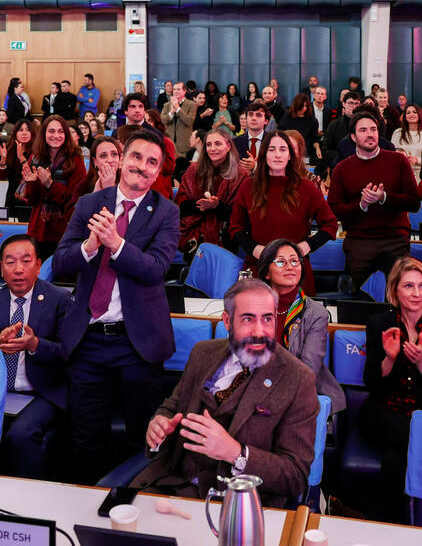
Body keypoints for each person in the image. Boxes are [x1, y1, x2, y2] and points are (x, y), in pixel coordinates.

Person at [52, 128, 180, 483]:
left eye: (152, 162)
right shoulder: (89, 204)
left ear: (158, 172)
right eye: (137, 157)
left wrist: (116, 244)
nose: (142, 166)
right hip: (88, 341)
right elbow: (60, 263)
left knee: (143, 439)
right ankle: (90, 501)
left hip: (138, 344)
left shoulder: (166, 212)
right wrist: (90, 246)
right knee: (86, 439)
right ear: (122, 160)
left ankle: (137, 501)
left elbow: (155, 269)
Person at [132, 278, 319, 508]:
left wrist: (237, 454)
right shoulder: (202, 353)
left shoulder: (298, 379)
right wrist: (159, 427)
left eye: (267, 319)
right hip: (168, 485)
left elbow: (295, 477)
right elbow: (171, 407)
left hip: (236, 505)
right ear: (227, 321)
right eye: (248, 319)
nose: (259, 331)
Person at [360, 257, 422, 522]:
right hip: (384, 413)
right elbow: (371, 382)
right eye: (408, 286)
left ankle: (396, 524)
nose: (417, 293)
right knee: (420, 438)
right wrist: (390, 358)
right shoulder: (378, 324)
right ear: (395, 290)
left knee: (395, 460)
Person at [0, 234, 69, 479]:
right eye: (10, 262)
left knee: (21, 435)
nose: (18, 269)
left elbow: (69, 354)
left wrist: (35, 345)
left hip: (42, 392)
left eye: (26, 261)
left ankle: (29, 494)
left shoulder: (59, 299)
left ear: (39, 265)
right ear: (2, 269)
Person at [231, 130, 339, 291]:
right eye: (272, 149)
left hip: (295, 272)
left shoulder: (306, 188)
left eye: (283, 149)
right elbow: (235, 228)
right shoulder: (248, 186)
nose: (277, 155)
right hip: (260, 269)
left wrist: (304, 247)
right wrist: (255, 249)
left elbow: (330, 224)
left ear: (290, 155)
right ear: (264, 154)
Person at [326, 110, 421, 289]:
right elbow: (334, 210)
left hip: (395, 240)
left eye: (373, 129)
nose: (370, 134)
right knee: (364, 296)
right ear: (353, 137)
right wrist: (362, 205)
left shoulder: (398, 161)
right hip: (359, 242)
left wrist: (384, 197)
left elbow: (414, 203)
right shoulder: (342, 168)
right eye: (363, 130)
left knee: (397, 294)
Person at [256, 239, 346, 413]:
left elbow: (307, 369)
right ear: (266, 272)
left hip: (298, 390)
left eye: (294, 261)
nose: (290, 267)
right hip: (257, 386)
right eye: (281, 262)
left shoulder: (316, 314)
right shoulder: (253, 307)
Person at [22, 115, 87, 259]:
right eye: (51, 131)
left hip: (64, 229)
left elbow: (75, 198)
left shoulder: (75, 159)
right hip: (38, 228)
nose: (56, 135)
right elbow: (31, 200)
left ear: (66, 134)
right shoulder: (35, 158)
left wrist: (50, 185)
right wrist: (31, 183)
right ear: (44, 134)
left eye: (60, 131)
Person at [175, 126, 246, 257]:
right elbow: (180, 206)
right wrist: (200, 206)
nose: (212, 149)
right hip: (194, 237)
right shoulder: (193, 170)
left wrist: (217, 206)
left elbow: (242, 215)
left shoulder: (241, 175)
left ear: (228, 146)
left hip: (227, 239)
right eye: (209, 144)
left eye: (218, 144)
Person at [162, 82, 196, 152]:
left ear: (184, 91)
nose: (175, 91)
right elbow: (163, 121)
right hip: (169, 144)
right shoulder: (167, 105)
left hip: (184, 145)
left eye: (178, 89)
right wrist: (171, 112)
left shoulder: (192, 104)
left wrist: (178, 109)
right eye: (174, 89)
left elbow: (189, 121)